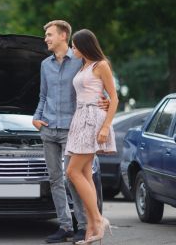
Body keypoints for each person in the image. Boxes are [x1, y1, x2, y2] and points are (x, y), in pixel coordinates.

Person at [33, 20, 108, 244]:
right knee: (55, 179)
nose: (46, 39)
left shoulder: (80, 61)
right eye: (46, 35)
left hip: (73, 129)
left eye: (49, 35)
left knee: (72, 178)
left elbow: (96, 87)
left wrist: (103, 103)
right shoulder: (45, 64)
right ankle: (64, 226)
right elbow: (43, 96)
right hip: (48, 128)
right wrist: (37, 117)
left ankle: (84, 225)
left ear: (63, 35)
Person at [65, 29, 118, 244]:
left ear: (85, 46)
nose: (72, 49)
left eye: (75, 45)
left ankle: (98, 219)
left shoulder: (101, 65)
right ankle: (92, 231)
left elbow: (113, 98)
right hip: (79, 118)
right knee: (85, 175)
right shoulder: (83, 66)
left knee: (72, 171)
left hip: (93, 119)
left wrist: (105, 127)